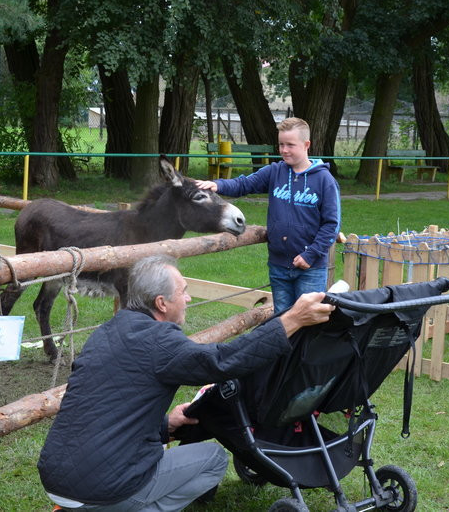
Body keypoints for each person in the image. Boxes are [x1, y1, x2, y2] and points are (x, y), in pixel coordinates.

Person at [37, 254, 335, 510]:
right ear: (161, 303)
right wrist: (292, 320)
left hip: (55, 477)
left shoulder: (105, 333)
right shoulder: (160, 341)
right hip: (103, 487)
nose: (189, 298)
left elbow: (110, 405)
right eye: (184, 291)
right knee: (214, 459)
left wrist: (165, 424)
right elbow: (223, 361)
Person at [196, 117, 341, 314]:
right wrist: (217, 185)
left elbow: (332, 224)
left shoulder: (325, 180)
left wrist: (311, 255)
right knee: (282, 319)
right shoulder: (275, 172)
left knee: (309, 319)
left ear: (307, 145)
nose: (284, 150)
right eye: (281, 144)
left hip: (310, 269)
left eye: (290, 145)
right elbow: (244, 184)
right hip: (278, 266)